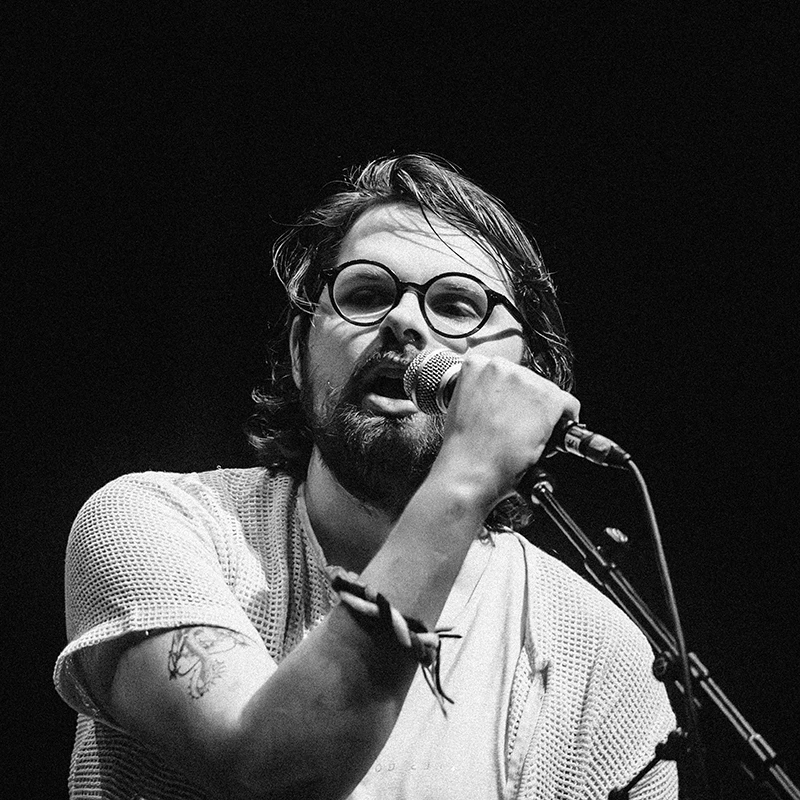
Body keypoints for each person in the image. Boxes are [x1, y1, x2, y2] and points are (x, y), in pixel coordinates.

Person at [54, 153, 678, 799]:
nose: (403, 321)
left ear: (528, 378)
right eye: (365, 296)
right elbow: (271, 775)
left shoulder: (602, 656)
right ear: (298, 353)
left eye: (457, 305)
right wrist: (468, 472)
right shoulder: (154, 524)